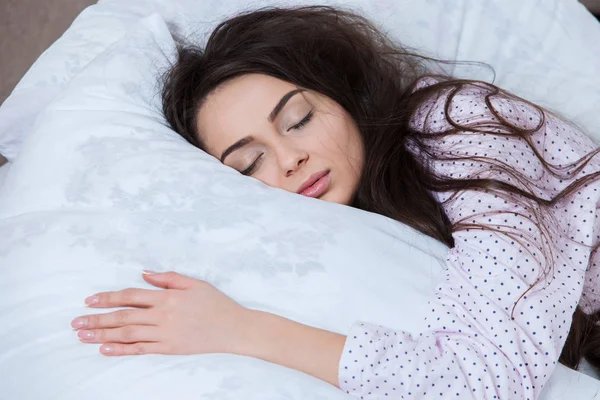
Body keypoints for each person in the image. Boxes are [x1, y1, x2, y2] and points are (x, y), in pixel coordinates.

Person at [69, 5, 600, 399]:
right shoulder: (370, 219)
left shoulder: (458, 124)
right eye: (250, 164)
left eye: (298, 119)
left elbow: (484, 379)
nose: (289, 159)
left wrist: (240, 328)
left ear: (341, 94)